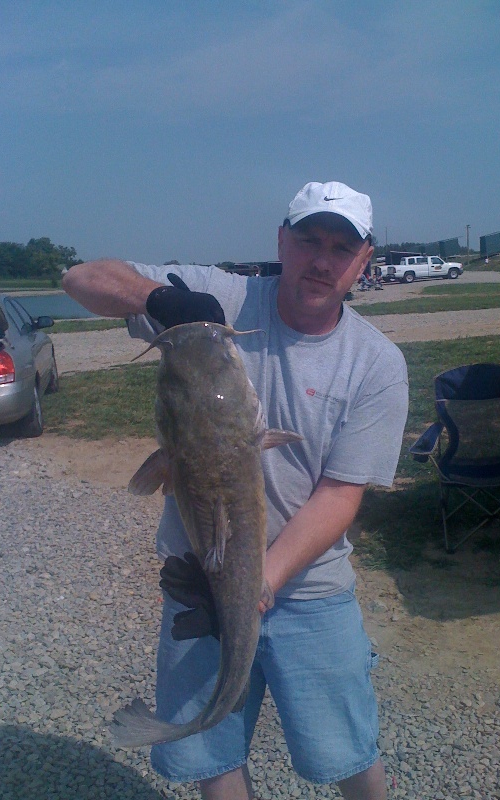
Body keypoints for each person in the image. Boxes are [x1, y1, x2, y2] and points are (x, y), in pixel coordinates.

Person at [63, 180, 409, 800]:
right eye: (308, 241)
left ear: (365, 261)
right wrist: (157, 299)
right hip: (202, 576)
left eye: (341, 248)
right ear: (282, 241)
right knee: (209, 759)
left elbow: (338, 495)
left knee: (349, 752)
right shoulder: (219, 299)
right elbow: (80, 279)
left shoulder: (376, 363)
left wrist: (261, 581)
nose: (322, 260)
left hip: (312, 588)